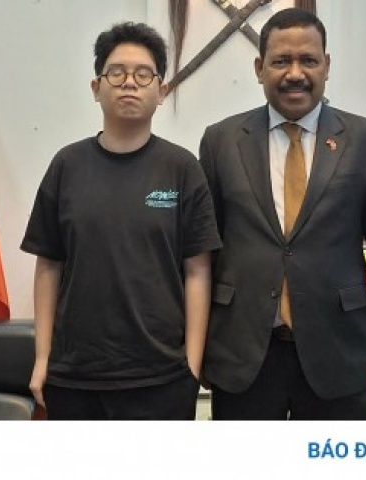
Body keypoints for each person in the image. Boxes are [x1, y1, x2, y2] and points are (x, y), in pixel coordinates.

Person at [198, 8, 366, 420]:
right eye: (281, 61)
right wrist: (200, 349)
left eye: (308, 60)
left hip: (339, 354)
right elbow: (204, 255)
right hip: (243, 356)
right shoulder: (221, 141)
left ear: (326, 66)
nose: (295, 73)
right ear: (259, 68)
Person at [20, 22, 221, 420]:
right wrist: (43, 358)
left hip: (162, 377)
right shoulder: (67, 165)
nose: (129, 82)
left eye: (143, 74)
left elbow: (198, 271)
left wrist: (191, 365)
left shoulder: (182, 168)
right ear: (96, 87)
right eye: (117, 72)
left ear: (161, 91)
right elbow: (48, 266)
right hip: (75, 376)